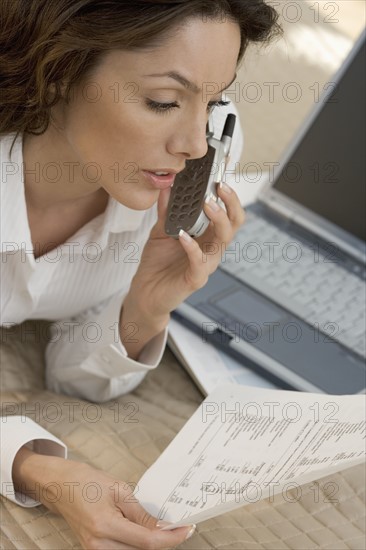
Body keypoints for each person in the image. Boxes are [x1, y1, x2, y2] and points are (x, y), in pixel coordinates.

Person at [0, 1, 282, 548]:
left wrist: (145, 307)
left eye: (214, 101)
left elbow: (74, 378)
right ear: (57, 72)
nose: (194, 143)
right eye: (162, 102)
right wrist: (39, 470)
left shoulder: (184, 172)